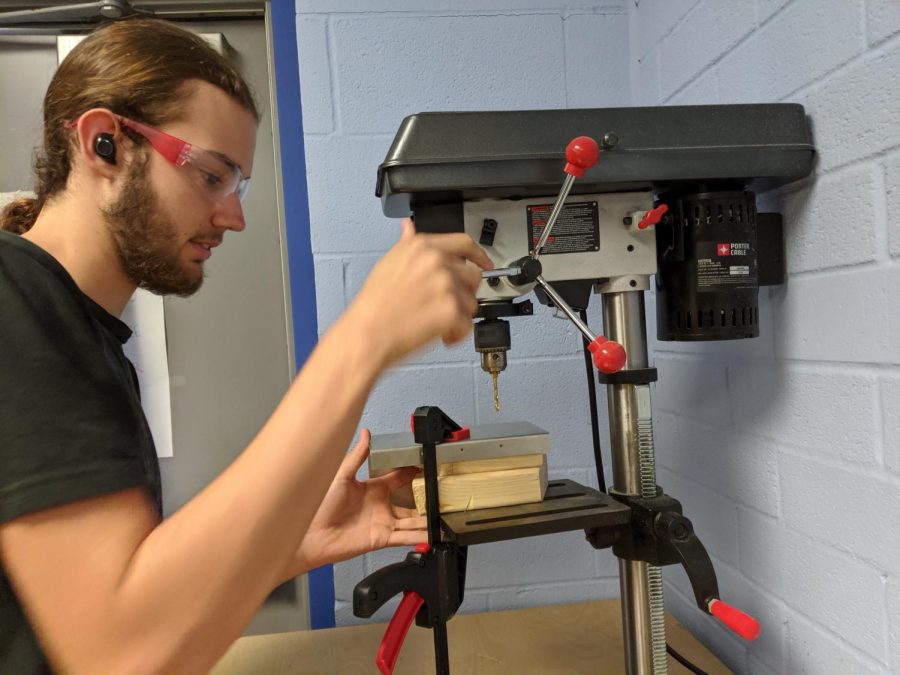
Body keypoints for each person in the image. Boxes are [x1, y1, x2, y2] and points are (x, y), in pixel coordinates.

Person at [0, 17, 492, 675]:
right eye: (211, 176)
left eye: (239, 186)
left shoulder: (80, 332)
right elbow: (119, 655)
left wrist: (292, 541)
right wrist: (362, 338)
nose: (233, 216)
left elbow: (113, 597)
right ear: (104, 144)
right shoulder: (14, 298)